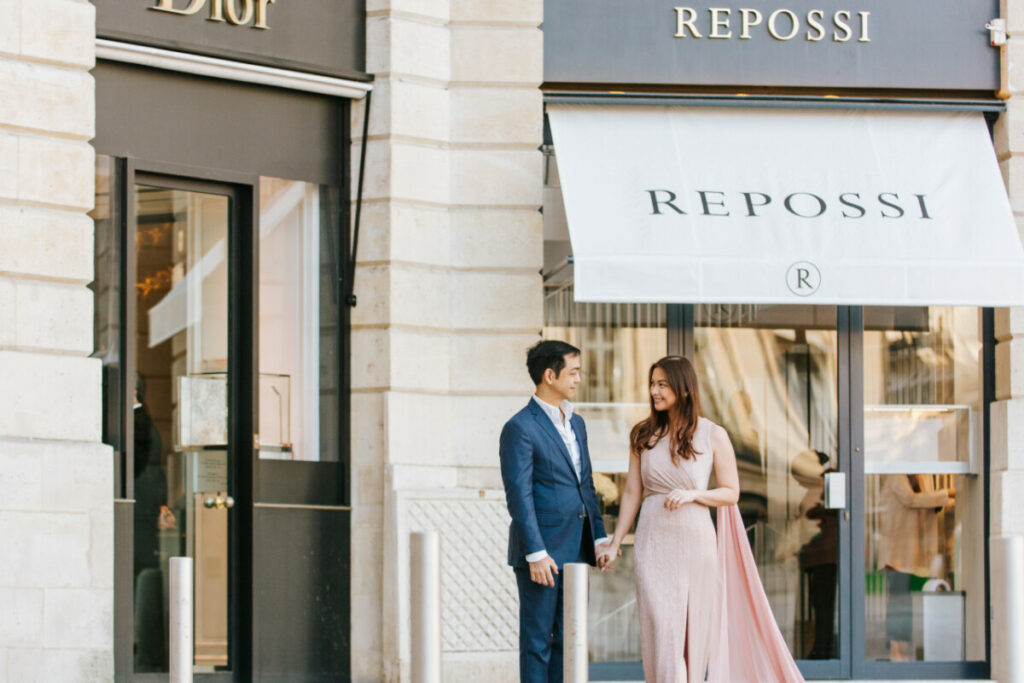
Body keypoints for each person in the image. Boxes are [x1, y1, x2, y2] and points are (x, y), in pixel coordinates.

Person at [597, 355, 804, 683]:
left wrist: (694, 495)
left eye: (662, 384)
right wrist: (615, 540)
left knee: (694, 638)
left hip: (695, 541)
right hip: (653, 541)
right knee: (663, 631)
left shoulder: (713, 434)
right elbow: (633, 493)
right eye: (652, 383)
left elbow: (731, 492)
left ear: (684, 388)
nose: (654, 390)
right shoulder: (642, 434)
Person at [499, 340, 611, 682]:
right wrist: (535, 552)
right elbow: (519, 494)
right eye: (573, 372)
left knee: (569, 638)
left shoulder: (577, 424)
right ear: (550, 375)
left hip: (577, 548)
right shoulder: (519, 427)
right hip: (541, 554)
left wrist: (600, 537)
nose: (578, 379)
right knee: (537, 642)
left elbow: (586, 485)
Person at [877, 473, 954, 661]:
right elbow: (910, 499)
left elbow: (926, 502)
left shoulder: (921, 474)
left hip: (910, 549)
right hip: (896, 550)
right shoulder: (895, 475)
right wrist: (947, 494)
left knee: (905, 603)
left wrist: (942, 497)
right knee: (898, 601)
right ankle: (894, 650)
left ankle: (901, 650)